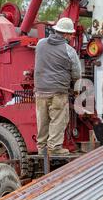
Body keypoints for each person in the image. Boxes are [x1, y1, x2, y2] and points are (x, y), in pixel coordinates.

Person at [34, 17, 82, 156]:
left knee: (42, 120)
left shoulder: (40, 44)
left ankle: (42, 148)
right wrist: (76, 90)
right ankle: (54, 148)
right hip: (58, 92)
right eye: (70, 34)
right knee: (58, 119)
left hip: (40, 91)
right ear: (66, 34)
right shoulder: (69, 51)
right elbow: (77, 73)